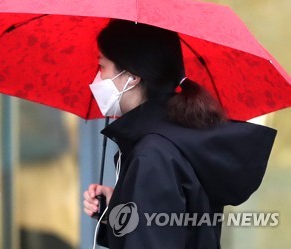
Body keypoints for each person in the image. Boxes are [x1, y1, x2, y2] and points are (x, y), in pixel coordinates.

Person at [83, 20, 276, 248]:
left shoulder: (153, 156)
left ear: (132, 77)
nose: (98, 78)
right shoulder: (179, 140)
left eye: (102, 67)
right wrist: (119, 204)